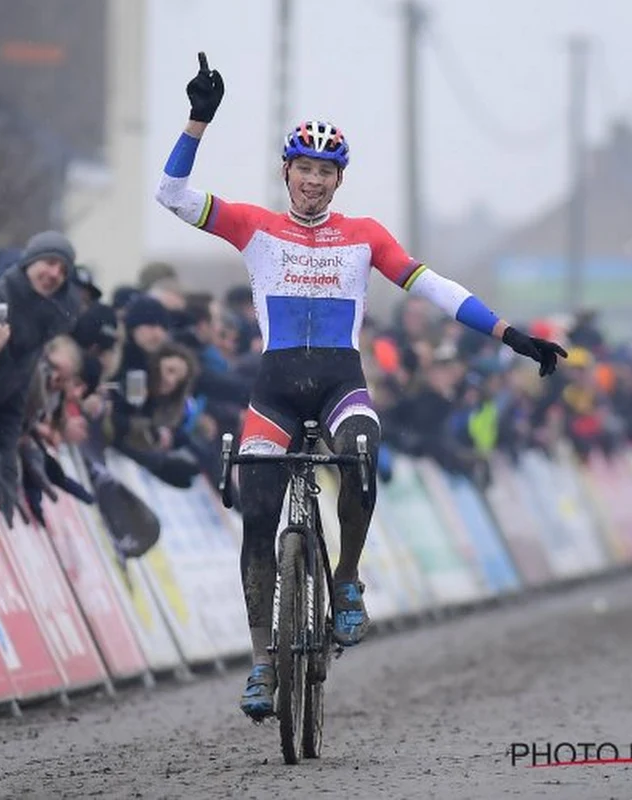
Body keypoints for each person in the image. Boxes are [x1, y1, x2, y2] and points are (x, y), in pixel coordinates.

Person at [154, 52, 568, 720]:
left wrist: (509, 335)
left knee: (363, 452)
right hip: (275, 392)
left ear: (337, 180)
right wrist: (198, 120)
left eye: (325, 172)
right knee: (258, 519)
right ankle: (262, 663)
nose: (313, 181)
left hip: (341, 386)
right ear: (286, 171)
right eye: (304, 168)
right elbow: (171, 196)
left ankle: (346, 580)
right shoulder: (254, 227)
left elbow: (432, 286)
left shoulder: (363, 236)